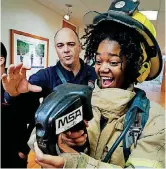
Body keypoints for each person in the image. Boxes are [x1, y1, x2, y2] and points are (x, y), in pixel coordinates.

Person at [29, 0, 165, 168]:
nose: (102, 69)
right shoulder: (80, 99)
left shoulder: (153, 118)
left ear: (136, 65)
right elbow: (35, 138)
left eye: (113, 62)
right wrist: (61, 141)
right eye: (99, 61)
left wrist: (77, 164)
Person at [1, 28, 97, 165]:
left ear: (80, 46)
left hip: (89, 147)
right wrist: (13, 93)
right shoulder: (46, 75)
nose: (66, 50)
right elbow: (23, 100)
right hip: (55, 151)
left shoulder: (93, 73)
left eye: (71, 44)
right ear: (56, 49)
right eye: (60, 45)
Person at [1, 42, 28, 168]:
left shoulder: (17, 81)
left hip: (13, 152)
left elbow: (31, 116)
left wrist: (24, 149)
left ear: (1, 59)